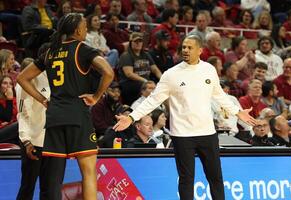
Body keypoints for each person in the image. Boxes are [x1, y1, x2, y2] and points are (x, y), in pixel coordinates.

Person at [113, 35, 256, 200]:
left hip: (207, 133)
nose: (185, 50)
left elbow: (219, 96)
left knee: (215, 178)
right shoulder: (171, 74)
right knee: (187, 179)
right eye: (184, 47)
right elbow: (152, 100)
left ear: (200, 51)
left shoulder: (209, 69)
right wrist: (131, 118)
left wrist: (238, 112)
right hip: (182, 135)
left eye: (190, 48)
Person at [16, 13, 114, 200]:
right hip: (77, 115)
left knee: (53, 181)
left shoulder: (50, 52)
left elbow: (22, 78)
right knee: (89, 172)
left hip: (54, 117)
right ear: (77, 30)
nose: (86, 29)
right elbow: (108, 72)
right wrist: (95, 96)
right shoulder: (82, 49)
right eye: (85, 26)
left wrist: (43, 100)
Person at [16, 57, 51, 200]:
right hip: (33, 141)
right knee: (28, 186)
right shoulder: (23, 84)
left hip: (51, 141)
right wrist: (26, 140)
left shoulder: (51, 78)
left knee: (48, 187)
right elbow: (22, 114)